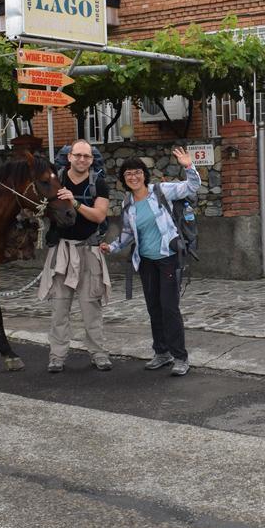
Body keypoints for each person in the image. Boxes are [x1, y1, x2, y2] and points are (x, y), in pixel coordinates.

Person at [100, 146, 200, 377]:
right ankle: (161, 352)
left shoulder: (161, 191)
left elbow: (192, 186)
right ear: (124, 180)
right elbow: (127, 233)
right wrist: (112, 246)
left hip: (168, 259)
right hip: (146, 261)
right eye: (128, 174)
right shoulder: (128, 204)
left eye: (137, 172)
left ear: (144, 174)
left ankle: (180, 357)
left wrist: (188, 165)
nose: (133, 177)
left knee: (169, 308)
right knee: (154, 308)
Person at [37, 139, 113, 373]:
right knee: (59, 308)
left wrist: (75, 203)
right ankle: (57, 356)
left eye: (86, 156)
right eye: (77, 155)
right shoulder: (55, 180)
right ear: (69, 157)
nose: (82, 160)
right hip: (61, 250)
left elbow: (100, 216)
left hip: (88, 250)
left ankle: (98, 353)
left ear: (92, 160)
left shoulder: (98, 184)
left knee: (92, 306)